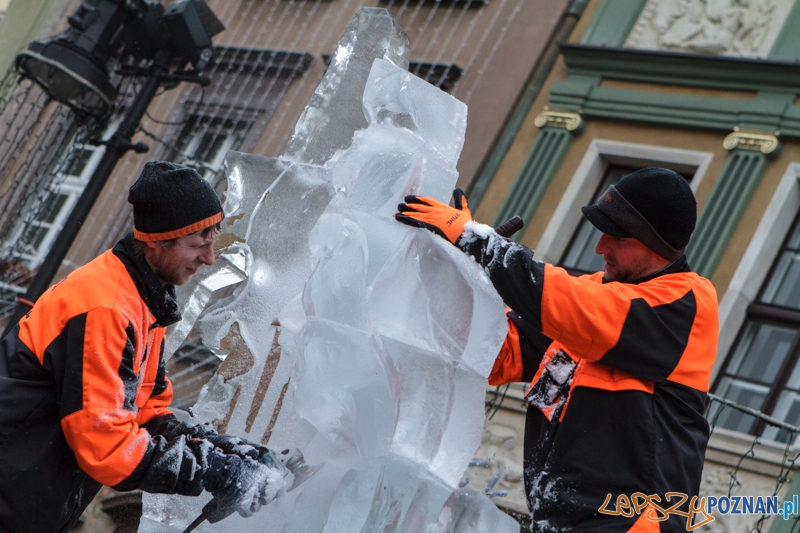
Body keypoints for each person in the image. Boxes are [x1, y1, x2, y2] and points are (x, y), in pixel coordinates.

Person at [396, 167, 718, 532]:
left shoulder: (687, 301)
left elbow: (577, 307)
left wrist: (480, 244)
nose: (601, 247)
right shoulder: (589, 304)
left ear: (656, 245)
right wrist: (453, 268)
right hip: (561, 522)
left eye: (618, 238)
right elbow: (492, 350)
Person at [0, 161, 295, 533]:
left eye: (212, 240)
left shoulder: (141, 300)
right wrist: (217, 472)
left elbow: (144, 412)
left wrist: (229, 451)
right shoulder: (105, 308)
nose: (208, 258)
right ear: (155, 241)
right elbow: (105, 444)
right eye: (197, 245)